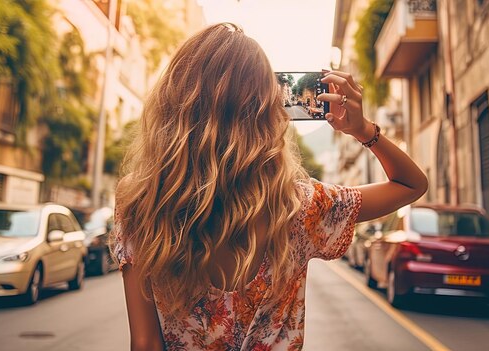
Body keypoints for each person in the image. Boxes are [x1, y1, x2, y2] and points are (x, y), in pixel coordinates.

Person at [111, 23, 427, 351]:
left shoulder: (140, 200)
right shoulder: (299, 205)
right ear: (266, 108)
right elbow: (411, 184)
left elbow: (145, 342)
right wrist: (364, 130)